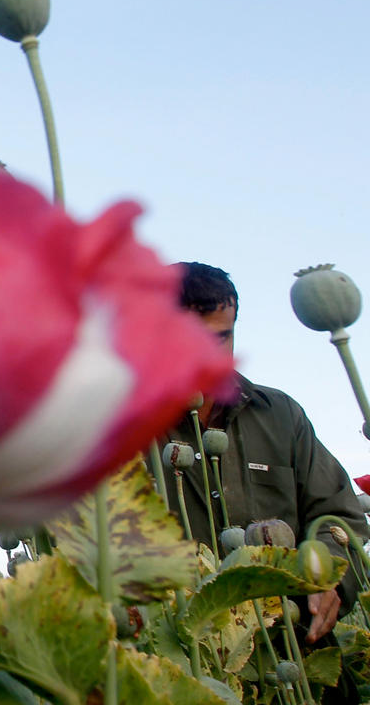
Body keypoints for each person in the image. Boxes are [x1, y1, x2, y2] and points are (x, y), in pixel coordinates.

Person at [163, 262, 368, 698]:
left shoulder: (279, 415)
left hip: (295, 657)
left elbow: (339, 515)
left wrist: (330, 577)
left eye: (222, 338)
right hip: (183, 670)